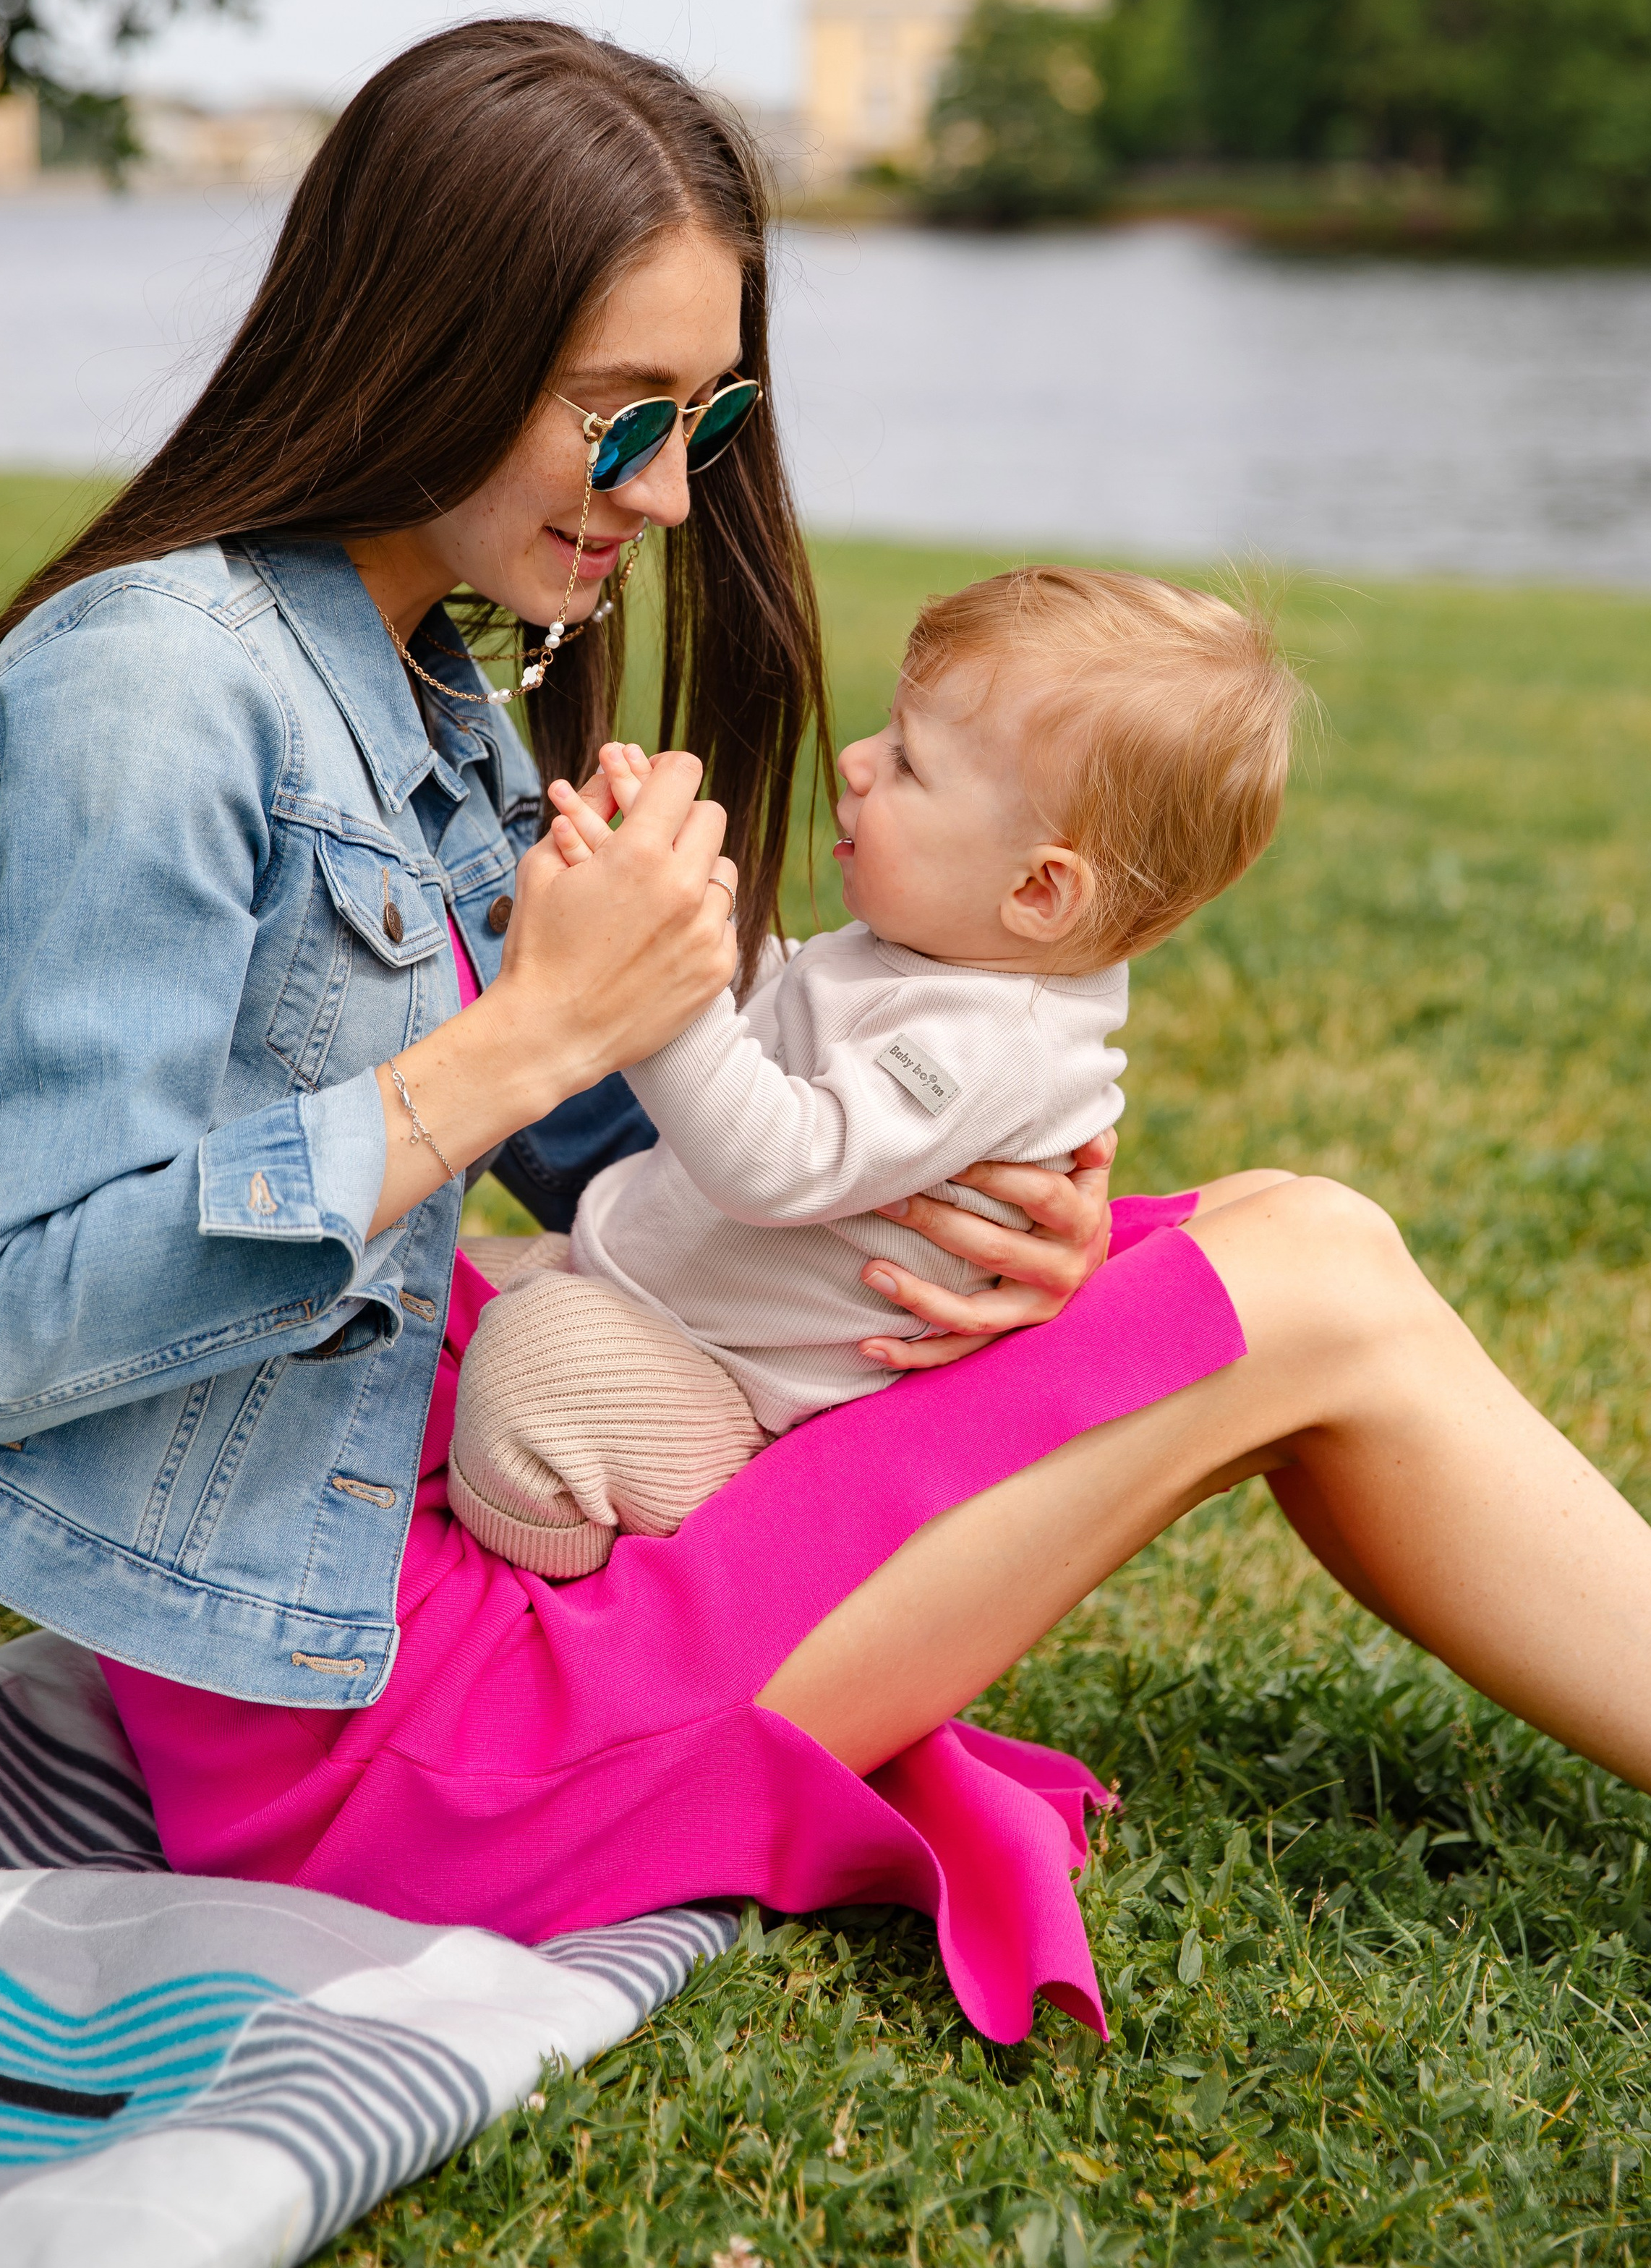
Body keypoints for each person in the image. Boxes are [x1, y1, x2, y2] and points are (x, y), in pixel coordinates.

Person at [0, 18, 1651, 2046]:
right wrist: (529, 1036)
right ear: (425, 335)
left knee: (1262, 1222)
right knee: (1312, 1281)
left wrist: (1009, 1238)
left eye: (701, 423)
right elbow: (12, 1328)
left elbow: (599, 1164)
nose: (663, 490)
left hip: (453, 1511)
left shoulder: (399, 676)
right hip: (395, 1741)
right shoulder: (153, 693)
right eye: (615, 413)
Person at [445, 568, 1302, 1577]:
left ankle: (562, 1596)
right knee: (430, 1310)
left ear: (1037, 887)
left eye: (908, 760)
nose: (856, 760)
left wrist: (659, 995)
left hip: (739, 1388)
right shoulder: (943, 953)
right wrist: (675, 907)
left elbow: (784, 1161)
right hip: (653, 1292)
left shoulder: (990, 1046)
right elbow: (785, 1010)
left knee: (528, 1382)